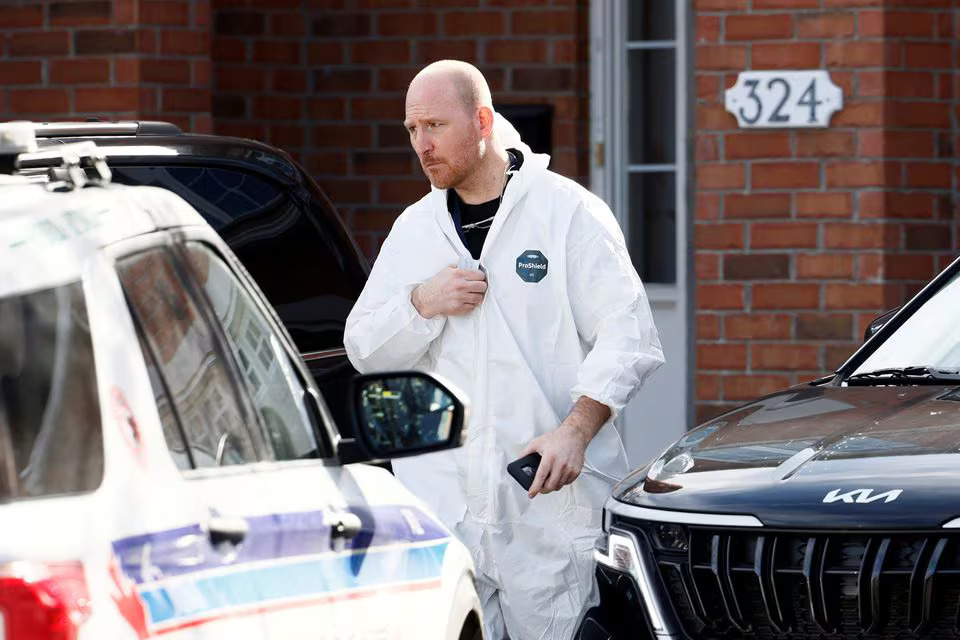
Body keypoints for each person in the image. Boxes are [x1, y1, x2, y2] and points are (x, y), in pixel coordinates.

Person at [344, 60, 664, 640]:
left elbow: (630, 337)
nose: (423, 144)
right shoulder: (415, 229)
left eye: (435, 125)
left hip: (544, 507)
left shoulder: (566, 213)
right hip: (444, 509)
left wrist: (576, 431)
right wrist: (421, 301)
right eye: (412, 129)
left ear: (484, 120)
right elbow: (363, 346)